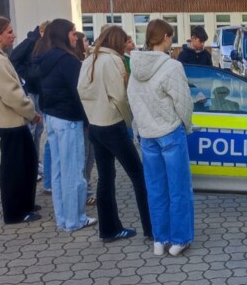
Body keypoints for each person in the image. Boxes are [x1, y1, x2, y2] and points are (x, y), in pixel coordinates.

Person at [78, 26, 152, 243]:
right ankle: (151, 228)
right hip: (113, 124)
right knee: (138, 175)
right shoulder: (113, 60)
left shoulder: (89, 59)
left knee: (105, 178)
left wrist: (93, 111)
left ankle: (109, 230)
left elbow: (80, 90)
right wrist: (128, 120)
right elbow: (119, 96)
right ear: (118, 42)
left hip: (95, 125)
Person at [128, 19, 194, 257]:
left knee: (155, 190)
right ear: (165, 37)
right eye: (171, 36)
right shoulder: (172, 67)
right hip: (170, 132)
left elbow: (132, 100)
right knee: (179, 189)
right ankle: (179, 240)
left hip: (147, 135)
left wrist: (140, 127)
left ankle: (159, 240)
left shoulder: (135, 67)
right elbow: (184, 102)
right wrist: (186, 125)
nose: (172, 41)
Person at [0, 16, 41, 224]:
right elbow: (12, 94)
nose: (14, 35)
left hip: (13, 121)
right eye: (9, 32)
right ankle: (14, 212)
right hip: (9, 122)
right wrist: (31, 113)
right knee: (14, 168)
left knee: (27, 162)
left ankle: (25, 204)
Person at [33, 18, 96, 232]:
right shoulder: (68, 61)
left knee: (59, 171)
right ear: (64, 35)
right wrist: (87, 120)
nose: (75, 37)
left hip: (53, 118)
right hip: (69, 120)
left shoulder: (45, 58)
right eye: (73, 33)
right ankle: (75, 219)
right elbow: (79, 93)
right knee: (74, 172)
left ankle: (63, 218)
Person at [9, 21, 49, 183]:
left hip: (40, 90)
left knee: (39, 129)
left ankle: (36, 161)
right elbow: (13, 59)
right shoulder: (30, 42)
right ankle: (29, 165)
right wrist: (25, 77)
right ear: (42, 30)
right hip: (31, 90)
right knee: (31, 128)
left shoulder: (45, 43)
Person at [75, 31, 96, 205]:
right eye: (84, 40)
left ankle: (87, 189)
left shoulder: (85, 61)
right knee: (84, 156)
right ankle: (84, 192)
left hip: (90, 118)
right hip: (83, 119)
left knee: (90, 156)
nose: (87, 43)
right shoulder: (76, 64)